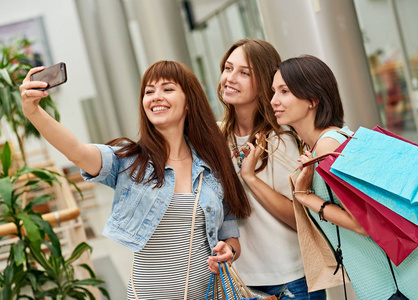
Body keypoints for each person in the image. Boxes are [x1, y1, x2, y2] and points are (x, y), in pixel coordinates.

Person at [20, 60, 251, 299]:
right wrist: (33, 112)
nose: (156, 97)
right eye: (149, 91)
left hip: (213, 294)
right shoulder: (130, 161)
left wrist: (229, 252)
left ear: (189, 102)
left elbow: (229, 235)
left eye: (167, 89)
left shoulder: (213, 164)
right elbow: (77, 151)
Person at [271, 54, 418, 300]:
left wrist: (305, 196)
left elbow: (364, 224)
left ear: (313, 99)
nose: (274, 100)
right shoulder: (332, 141)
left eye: (284, 91)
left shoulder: (328, 146)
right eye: (273, 91)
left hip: (393, 284)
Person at [215, 38, 326, 299]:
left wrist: (251, 178)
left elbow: (301, 219)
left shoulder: (280, 139)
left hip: (289, 281)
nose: (230, 78)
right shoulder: (219, 137)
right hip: (241, 281)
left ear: (264, 82)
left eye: (244, 73)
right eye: (228, 68)